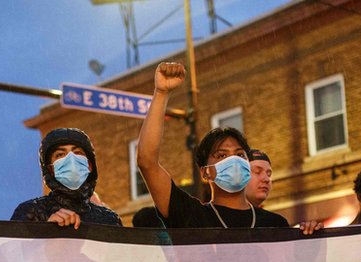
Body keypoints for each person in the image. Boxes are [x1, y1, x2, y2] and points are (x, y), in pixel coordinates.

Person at [137, 62, 320, 233]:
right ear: (205, 172)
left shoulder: (275, 224)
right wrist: (161, 93)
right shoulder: (190, 215)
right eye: (222, 155)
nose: (234, 161)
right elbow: (147, 162)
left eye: (240, 154)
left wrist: (313, 235)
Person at [11, 128, 122, 228]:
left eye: (77, 152)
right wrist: (46, 231)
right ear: (50, 169)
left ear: (89, 165)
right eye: (60, 154)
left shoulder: (109, 219)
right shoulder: (30, 212)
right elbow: (12, 244)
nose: (71, 159)